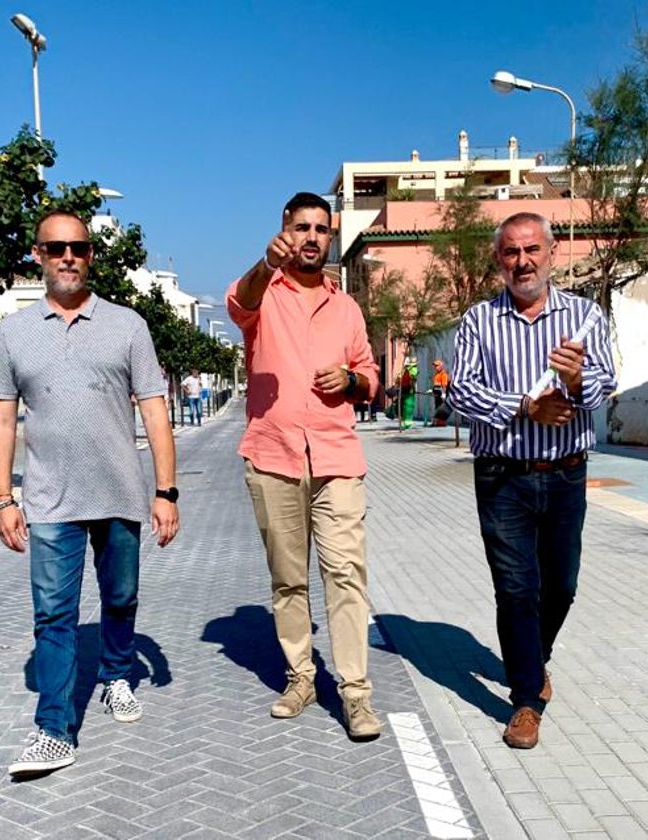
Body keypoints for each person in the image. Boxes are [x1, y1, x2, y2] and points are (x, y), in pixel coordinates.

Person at [0, 210, 181, 777]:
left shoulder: (128, 326)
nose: (67, 256)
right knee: (53, 614)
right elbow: (1, 419)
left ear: (91, 255)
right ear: (38, 255)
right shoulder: (13, 333)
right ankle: (53, 729)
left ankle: (117, 673)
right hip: (49, 500)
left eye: (77, 247)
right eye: (55, 248)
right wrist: (3, 499)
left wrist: (165, 490)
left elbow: (154, 409)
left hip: (120, 493)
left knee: (121, 599)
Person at [446, 211, 616, 750]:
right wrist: (524, 406)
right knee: (516, 588)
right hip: (503, 477)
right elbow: (460, 395)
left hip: (566, 475)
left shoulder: (585, 317)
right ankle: (526, 700)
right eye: (512, 252)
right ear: (499, 259)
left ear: (552, 253)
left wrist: (575, 378)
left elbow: (606, 385)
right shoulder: (479, 321)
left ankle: (531, 659)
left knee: (560, 586)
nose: (523, 261)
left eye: (532, 250)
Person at [227, 191, 383, 740]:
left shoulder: (347, 308)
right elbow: (237, 303)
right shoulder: (264, 292)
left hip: (337, 456)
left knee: (345, 576)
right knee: (289, 579)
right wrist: (265, 263)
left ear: (330, 236)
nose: (312, 237)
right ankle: (300, 678)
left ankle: (356, 695)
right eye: (302, 228)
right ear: (285, 230)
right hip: (273, 455)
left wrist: (354, 380)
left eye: (321, 229)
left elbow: (371, 374)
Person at [429, 359, 450, 426]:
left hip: (441, 394)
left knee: (441, 408)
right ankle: (437, 422)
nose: (435, 367)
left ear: (441, 366)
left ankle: (441, 422)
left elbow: (444, 385)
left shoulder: (443, 374)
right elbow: (436, 384)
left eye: (437, 366)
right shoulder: (437, 374)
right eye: (435, 366)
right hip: (437, 394)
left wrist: (443, 393)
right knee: (437, 407)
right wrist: (432, 390)